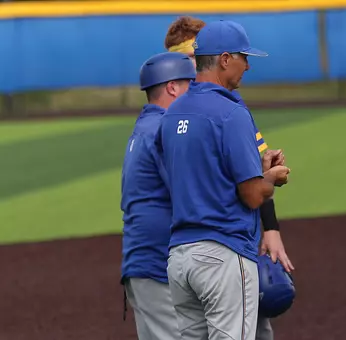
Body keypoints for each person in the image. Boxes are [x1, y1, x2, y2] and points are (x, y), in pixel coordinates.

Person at [157, 20, 290, 340]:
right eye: (245, 57)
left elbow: (200, 172)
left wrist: (255, 167)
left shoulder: (172, 113)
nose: (248, 66)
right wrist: (270, 178)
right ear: (225, 59)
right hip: (223, 255)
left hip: (180, 260)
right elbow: (253, 196)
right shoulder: (231, 112)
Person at [120, 51, 196, 340]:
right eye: (190, 83)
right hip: (155, 264)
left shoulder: (145, 127)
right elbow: (191, 192)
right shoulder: (164, 129)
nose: (195, 91)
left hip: (145, 263)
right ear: (172, 87)